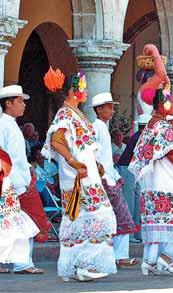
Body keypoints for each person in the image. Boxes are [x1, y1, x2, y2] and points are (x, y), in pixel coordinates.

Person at [42, 67, 117, 281]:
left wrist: (95, 165)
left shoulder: (76, 113)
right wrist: (74, 162)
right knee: (98, 216)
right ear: (75, 91)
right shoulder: (65, 113)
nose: (85, 92)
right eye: (83, 88)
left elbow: (81, 146)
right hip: (79, 178)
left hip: (86, 175)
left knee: (82, 219)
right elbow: (57, 141)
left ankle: (77, 266)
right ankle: (85, 264)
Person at [129, 88, 173, 276]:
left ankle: (149, 261)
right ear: (163, 103)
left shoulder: (151, 125)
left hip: (154, 185)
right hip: (168, 183)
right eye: (172, 101)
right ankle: (164, 259)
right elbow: (171, 152)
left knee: (158, 225)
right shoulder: (164, 127)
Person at [0, 85, 49, 274]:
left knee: (19, 221)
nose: (23, 105)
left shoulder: (11, 124)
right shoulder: (4, 124)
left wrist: (29, 169)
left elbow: (18, 156)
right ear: (8, 103)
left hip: (20, 179)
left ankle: (21, 262)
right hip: (12, 181)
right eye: (20, 101)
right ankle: (22, 263)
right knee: (24, 220)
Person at [91, 92, 140, 268]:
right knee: (118, 216)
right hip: (103, 180)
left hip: (109, 178)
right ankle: (116, 255)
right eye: (109, 107)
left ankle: (119, 255)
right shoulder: (95, 127)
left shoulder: (102, 127)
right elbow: (95, 156)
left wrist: (116, 176)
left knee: (120, 217)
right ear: (99, 109)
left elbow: (106, 158)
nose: (112, 110)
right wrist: (104, 176)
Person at [0, 148, 39, 274]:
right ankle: (22, 264)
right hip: (5, 186)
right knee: (16, 227)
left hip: (6, 186)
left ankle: (22, 264)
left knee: (18, 227)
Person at [117, 114, 149, 243]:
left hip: (132, 169)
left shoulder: (139, 137)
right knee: (130, 202)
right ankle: (129, 235)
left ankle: (136, 233)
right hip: (128, 169)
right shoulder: (139, 138)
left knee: (136, 202)